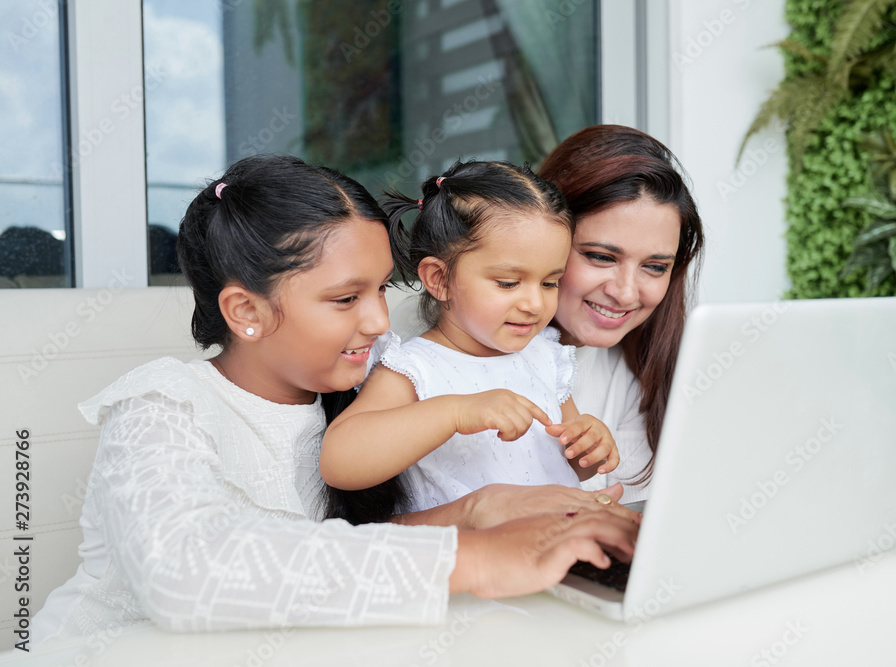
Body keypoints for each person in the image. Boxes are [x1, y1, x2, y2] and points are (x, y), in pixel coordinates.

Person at [30, 155, 638, 644]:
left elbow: (347, 549)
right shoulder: (162, 407)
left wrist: (474, 511)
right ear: (246, 310)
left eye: (379, 290)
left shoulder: (354, 397)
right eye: (346, 299)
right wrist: (472, 554)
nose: (379, 321)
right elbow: (185, 571)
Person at [320, 160, 620, 513]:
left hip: (558, 542)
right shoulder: (414, 369)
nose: (535, 303)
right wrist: (456, 412)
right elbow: (340, 462)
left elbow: (568, 465)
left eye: (550, 282)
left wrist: (588, 447)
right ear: (439, 279)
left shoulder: (545, 356)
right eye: (508, 283)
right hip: (476, 558)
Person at [535, 125, 705, 504]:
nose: (626, 293)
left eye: (655, 266)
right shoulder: (418, 348)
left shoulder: (641, 373)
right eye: (600, 257)